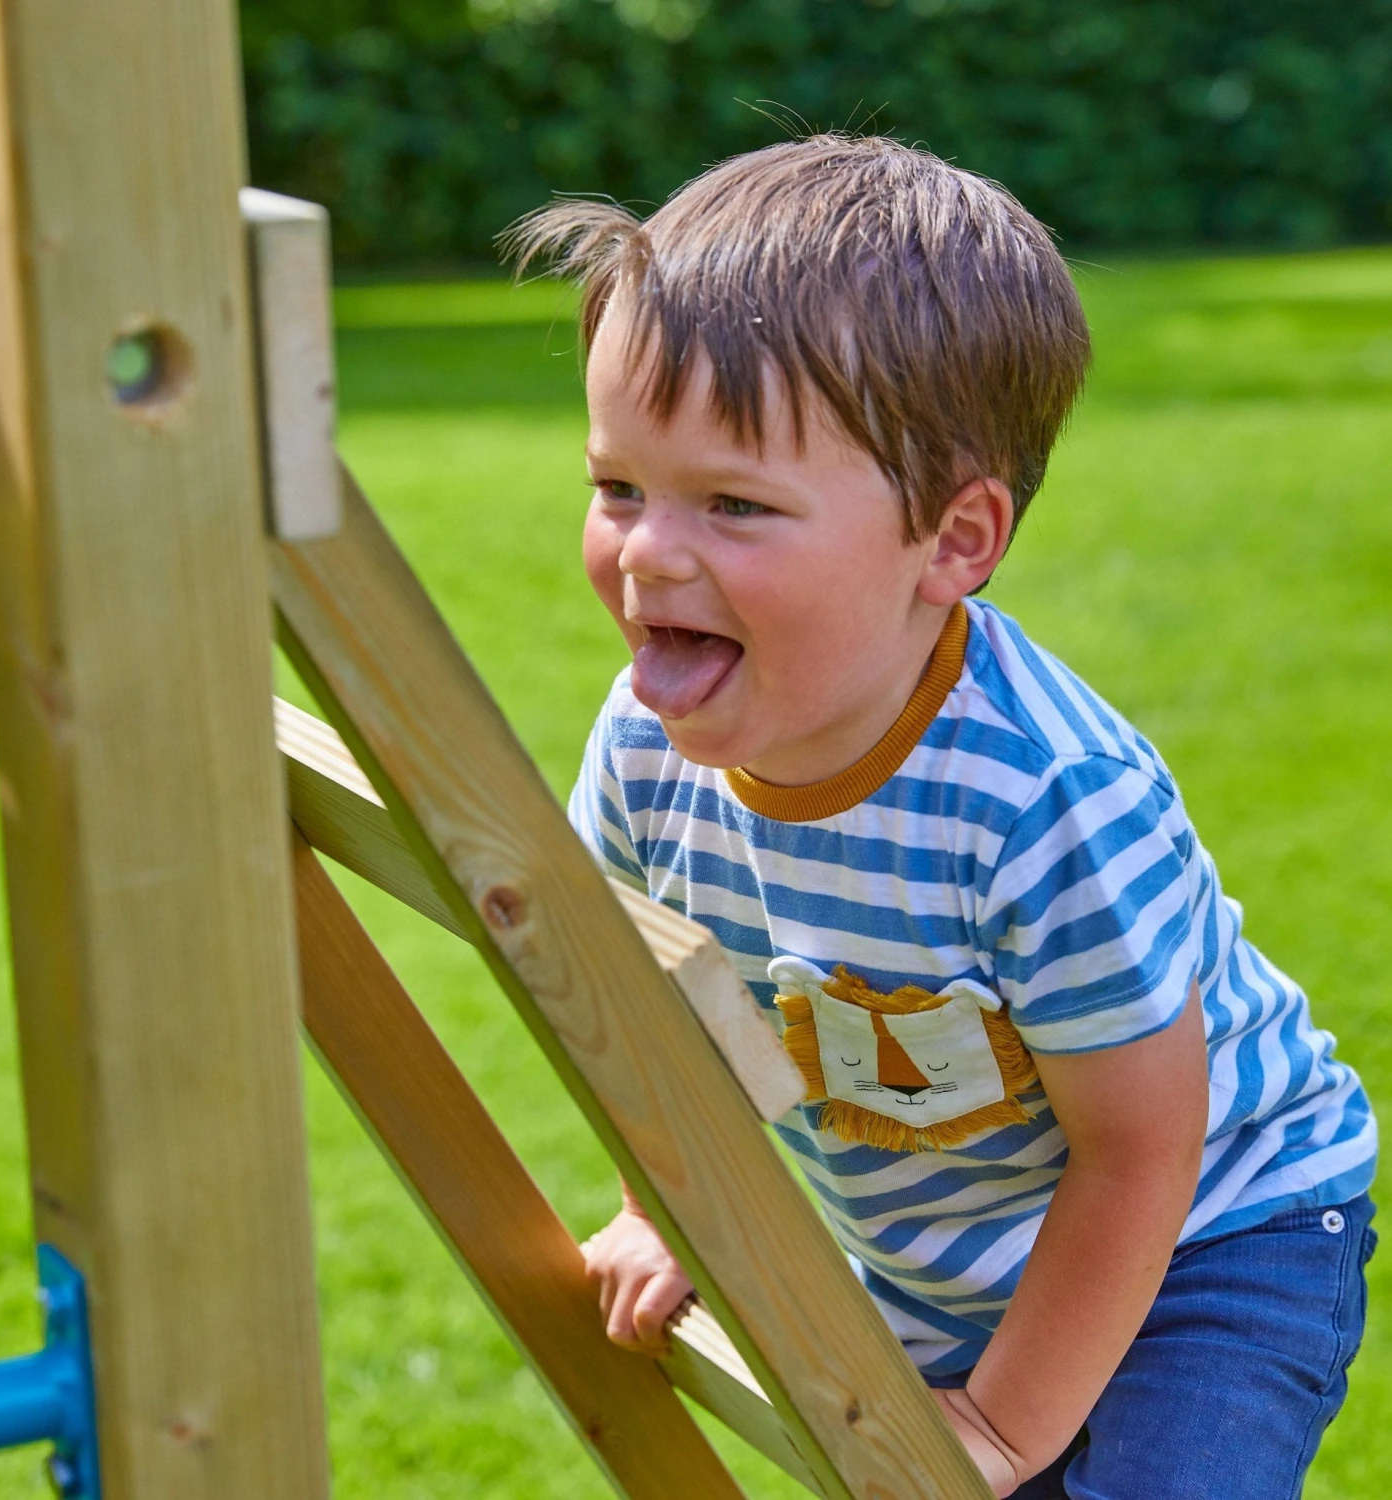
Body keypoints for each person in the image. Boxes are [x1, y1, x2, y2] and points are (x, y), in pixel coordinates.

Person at [502, 135, 1377, 1498]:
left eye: (734, 503)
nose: (649, 552)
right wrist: (664, 1208)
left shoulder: (1043, 803)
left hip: (1213, 1235)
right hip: (944, 1256)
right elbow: (658, 1014)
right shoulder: (643, 751)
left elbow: (1143, 1149)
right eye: (619, 486)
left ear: (955, 541)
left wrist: (1007, 1431)